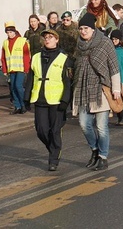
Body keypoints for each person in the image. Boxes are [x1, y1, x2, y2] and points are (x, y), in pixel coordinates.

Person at [73, 13, 122, 170]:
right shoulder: (79, 45)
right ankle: (94, 150)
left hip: (101, 89)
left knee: (101, 127)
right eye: (81, 28)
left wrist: (116, 89)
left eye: (86, 28)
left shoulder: (105, 43)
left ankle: (103, 156)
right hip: (83, 89)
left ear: (93, 29)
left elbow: (113, 66)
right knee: (83, 124)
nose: (83, 31)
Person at [24, 28, 71, 171]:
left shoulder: (64, 58)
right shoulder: (36, 56)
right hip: (40, 98)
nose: (47, 39)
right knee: (41, 130)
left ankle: (54, 158)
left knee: (55, 130)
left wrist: (65, 100)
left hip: (57, 101)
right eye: (45, 37)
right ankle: (53, 148)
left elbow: (68, 81)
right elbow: (31, 78)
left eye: (51, 37)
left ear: (57, 40)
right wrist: (26, 98)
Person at [1, 21, 31, 115]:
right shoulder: (5, 43)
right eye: (7, 32)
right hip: (11, 69)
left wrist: (27, 68)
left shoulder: (22, 41)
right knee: (13, 88)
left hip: (21, 68)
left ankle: (23, 105)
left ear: (15, 31)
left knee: (18, 86)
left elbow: (26, 56)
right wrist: (4, 70)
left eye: (11, 32)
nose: (9, 34)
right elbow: (3, 57)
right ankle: (17, 106)